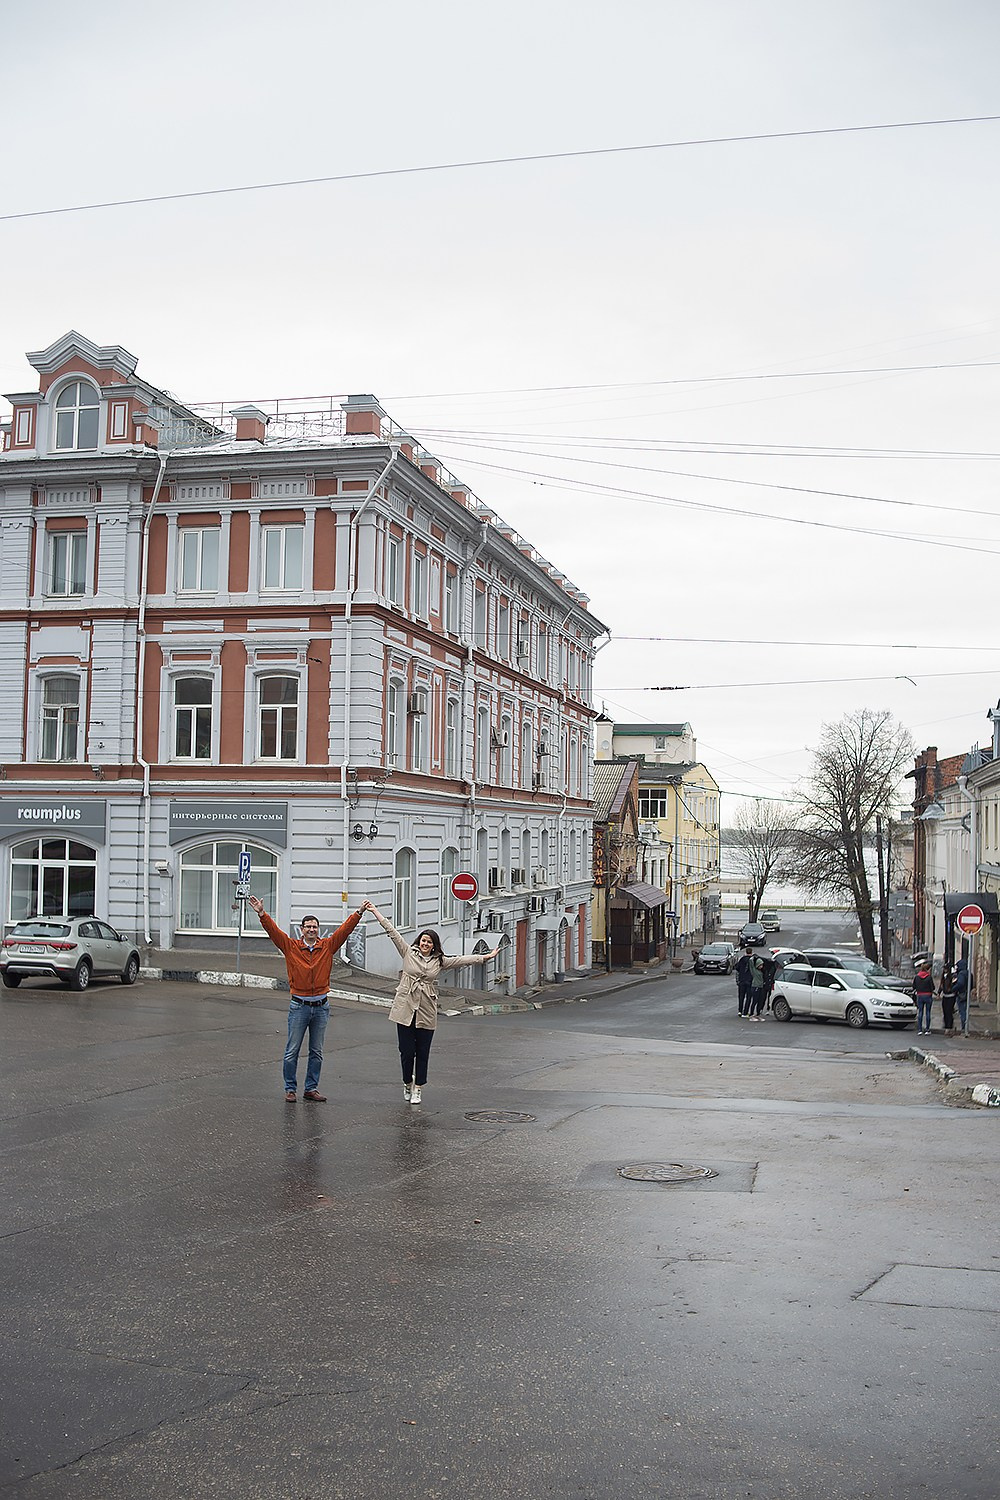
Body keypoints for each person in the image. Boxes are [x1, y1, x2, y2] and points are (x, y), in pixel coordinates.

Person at [366, 905, 500, 1103]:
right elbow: (392, 932)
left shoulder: (440, 961)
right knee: (406, 1051)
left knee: (422, 1051)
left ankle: (418, 1087)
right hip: (405, 1006)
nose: (425, 944)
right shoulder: (408, 952)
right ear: (418, 942)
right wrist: (375, 911)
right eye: (423, 941)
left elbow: (461, 960)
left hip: (426, 1008)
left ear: (434, 945)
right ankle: (406, 1081)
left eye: (429, 942)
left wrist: (485, 957)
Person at [248, 894, 366, 1102]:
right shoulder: (291, 946)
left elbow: (344, 931)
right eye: (308, 926)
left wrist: (358, 913)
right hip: (299, 1006)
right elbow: (274, 932)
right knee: (292, 1050)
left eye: (315, 927)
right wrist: (261, 913)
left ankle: (311, 1088)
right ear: (301, 930)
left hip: (321, 1007)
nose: (312, 930)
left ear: (318, 930)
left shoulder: (327, 946)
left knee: (316, 1051)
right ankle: (290, 1089)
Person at [913, 958, 934, 1036]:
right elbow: (933, 987)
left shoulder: (917, 977)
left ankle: (920, 1029)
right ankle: (927, 1029)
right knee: (928, 1012)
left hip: (920, 995)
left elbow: (914, 986)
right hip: (928, 995)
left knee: (920, 1012)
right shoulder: (929, 977)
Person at [747, 952, 770, 1021]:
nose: (761, 966)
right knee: (754, 1001)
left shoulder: (762, 971)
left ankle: (757, 1014)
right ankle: (751, 1015)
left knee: (760, 1001)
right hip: (755, 986)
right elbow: (751, 965)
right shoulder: (754, 971)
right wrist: (752, 958)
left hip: (760, 987)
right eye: (760, 965)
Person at [954, 955, 973, 1034]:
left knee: (962, 1011)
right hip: (967, 994)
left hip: (961, 994)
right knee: (965, 1010)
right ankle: (965, 1026)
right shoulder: (969, 973)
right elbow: (971, 985)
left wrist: (954, 988)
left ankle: (964, 1027)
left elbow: (960, 984)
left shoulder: (961, 974)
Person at [735, 948, 754, 1018]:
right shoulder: (753, 960)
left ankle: (740, 1010)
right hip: (749, 981)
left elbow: (737, 968)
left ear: (746, 952)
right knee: (748, 997)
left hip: (742, 980)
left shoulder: (742, 959)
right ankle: (745, 1012)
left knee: (741, 997)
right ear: (751, 952)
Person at [939, 964, 956, 1036]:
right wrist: (939, 993)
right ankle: (946, 1025)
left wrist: (951, 989)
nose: (944, 970)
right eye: (944, 969)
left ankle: (949, 1026)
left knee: (949, 1011)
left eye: (946, 969)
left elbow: (954, 985)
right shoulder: (943, 976)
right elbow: (941, 985)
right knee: (945, 1011)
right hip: (945, 996)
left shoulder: (952, 976)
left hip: (951, 996)